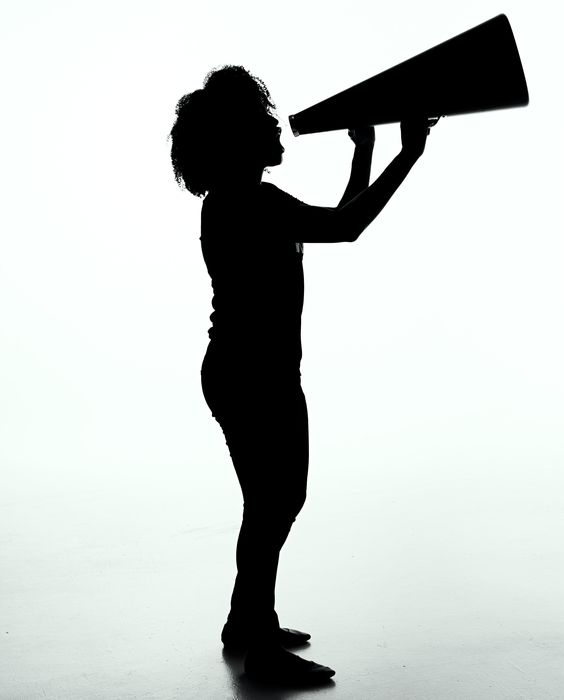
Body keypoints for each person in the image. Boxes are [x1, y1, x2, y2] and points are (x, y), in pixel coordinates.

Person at [169, 65, 430, 686]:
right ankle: (258, 645)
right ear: (239, 140)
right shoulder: (251, 203)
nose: (276, 127)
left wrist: (365, 150)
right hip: (254, 376)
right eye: (263, 120)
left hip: (245, 372)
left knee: (271, 503)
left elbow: (337, 217)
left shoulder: (240, 201)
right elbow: (346, 227)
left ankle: (246, 621)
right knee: (274, 504)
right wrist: (408, 153)